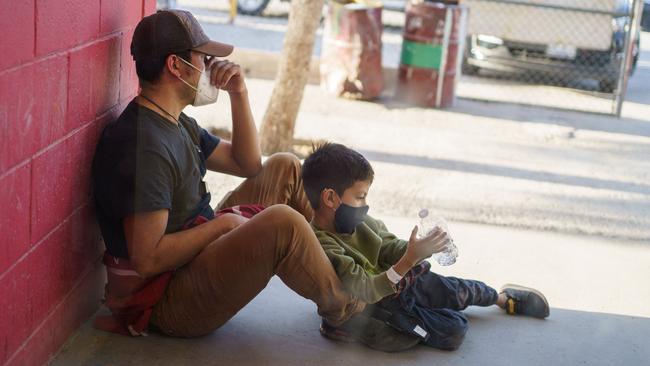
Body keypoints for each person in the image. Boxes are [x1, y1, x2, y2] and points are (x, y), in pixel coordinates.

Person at [91, 9, 364, 338]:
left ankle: (351, 265)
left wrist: (239, 93)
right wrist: (222, 225)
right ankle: (350, 311)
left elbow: (247, 164)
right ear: (175, 66)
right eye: (203, 60)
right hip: (168, 298)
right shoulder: (145, 146)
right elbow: (148, 260)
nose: (209, 69)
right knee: (283, 223)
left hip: (194, 257)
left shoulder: (175, 122)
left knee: (285, 167)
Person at [302, 142, 550, 351]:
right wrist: (409, 260)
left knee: (453, 290)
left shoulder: (362, 221)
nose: (365, 204)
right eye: (360, 196)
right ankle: (341, 326)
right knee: (452, 331)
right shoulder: (322, 245)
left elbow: (388, 247)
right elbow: (365, 289)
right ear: (331, 198)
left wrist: (420, 248)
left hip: (400, 283)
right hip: (374, 305)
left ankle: (502, 298)